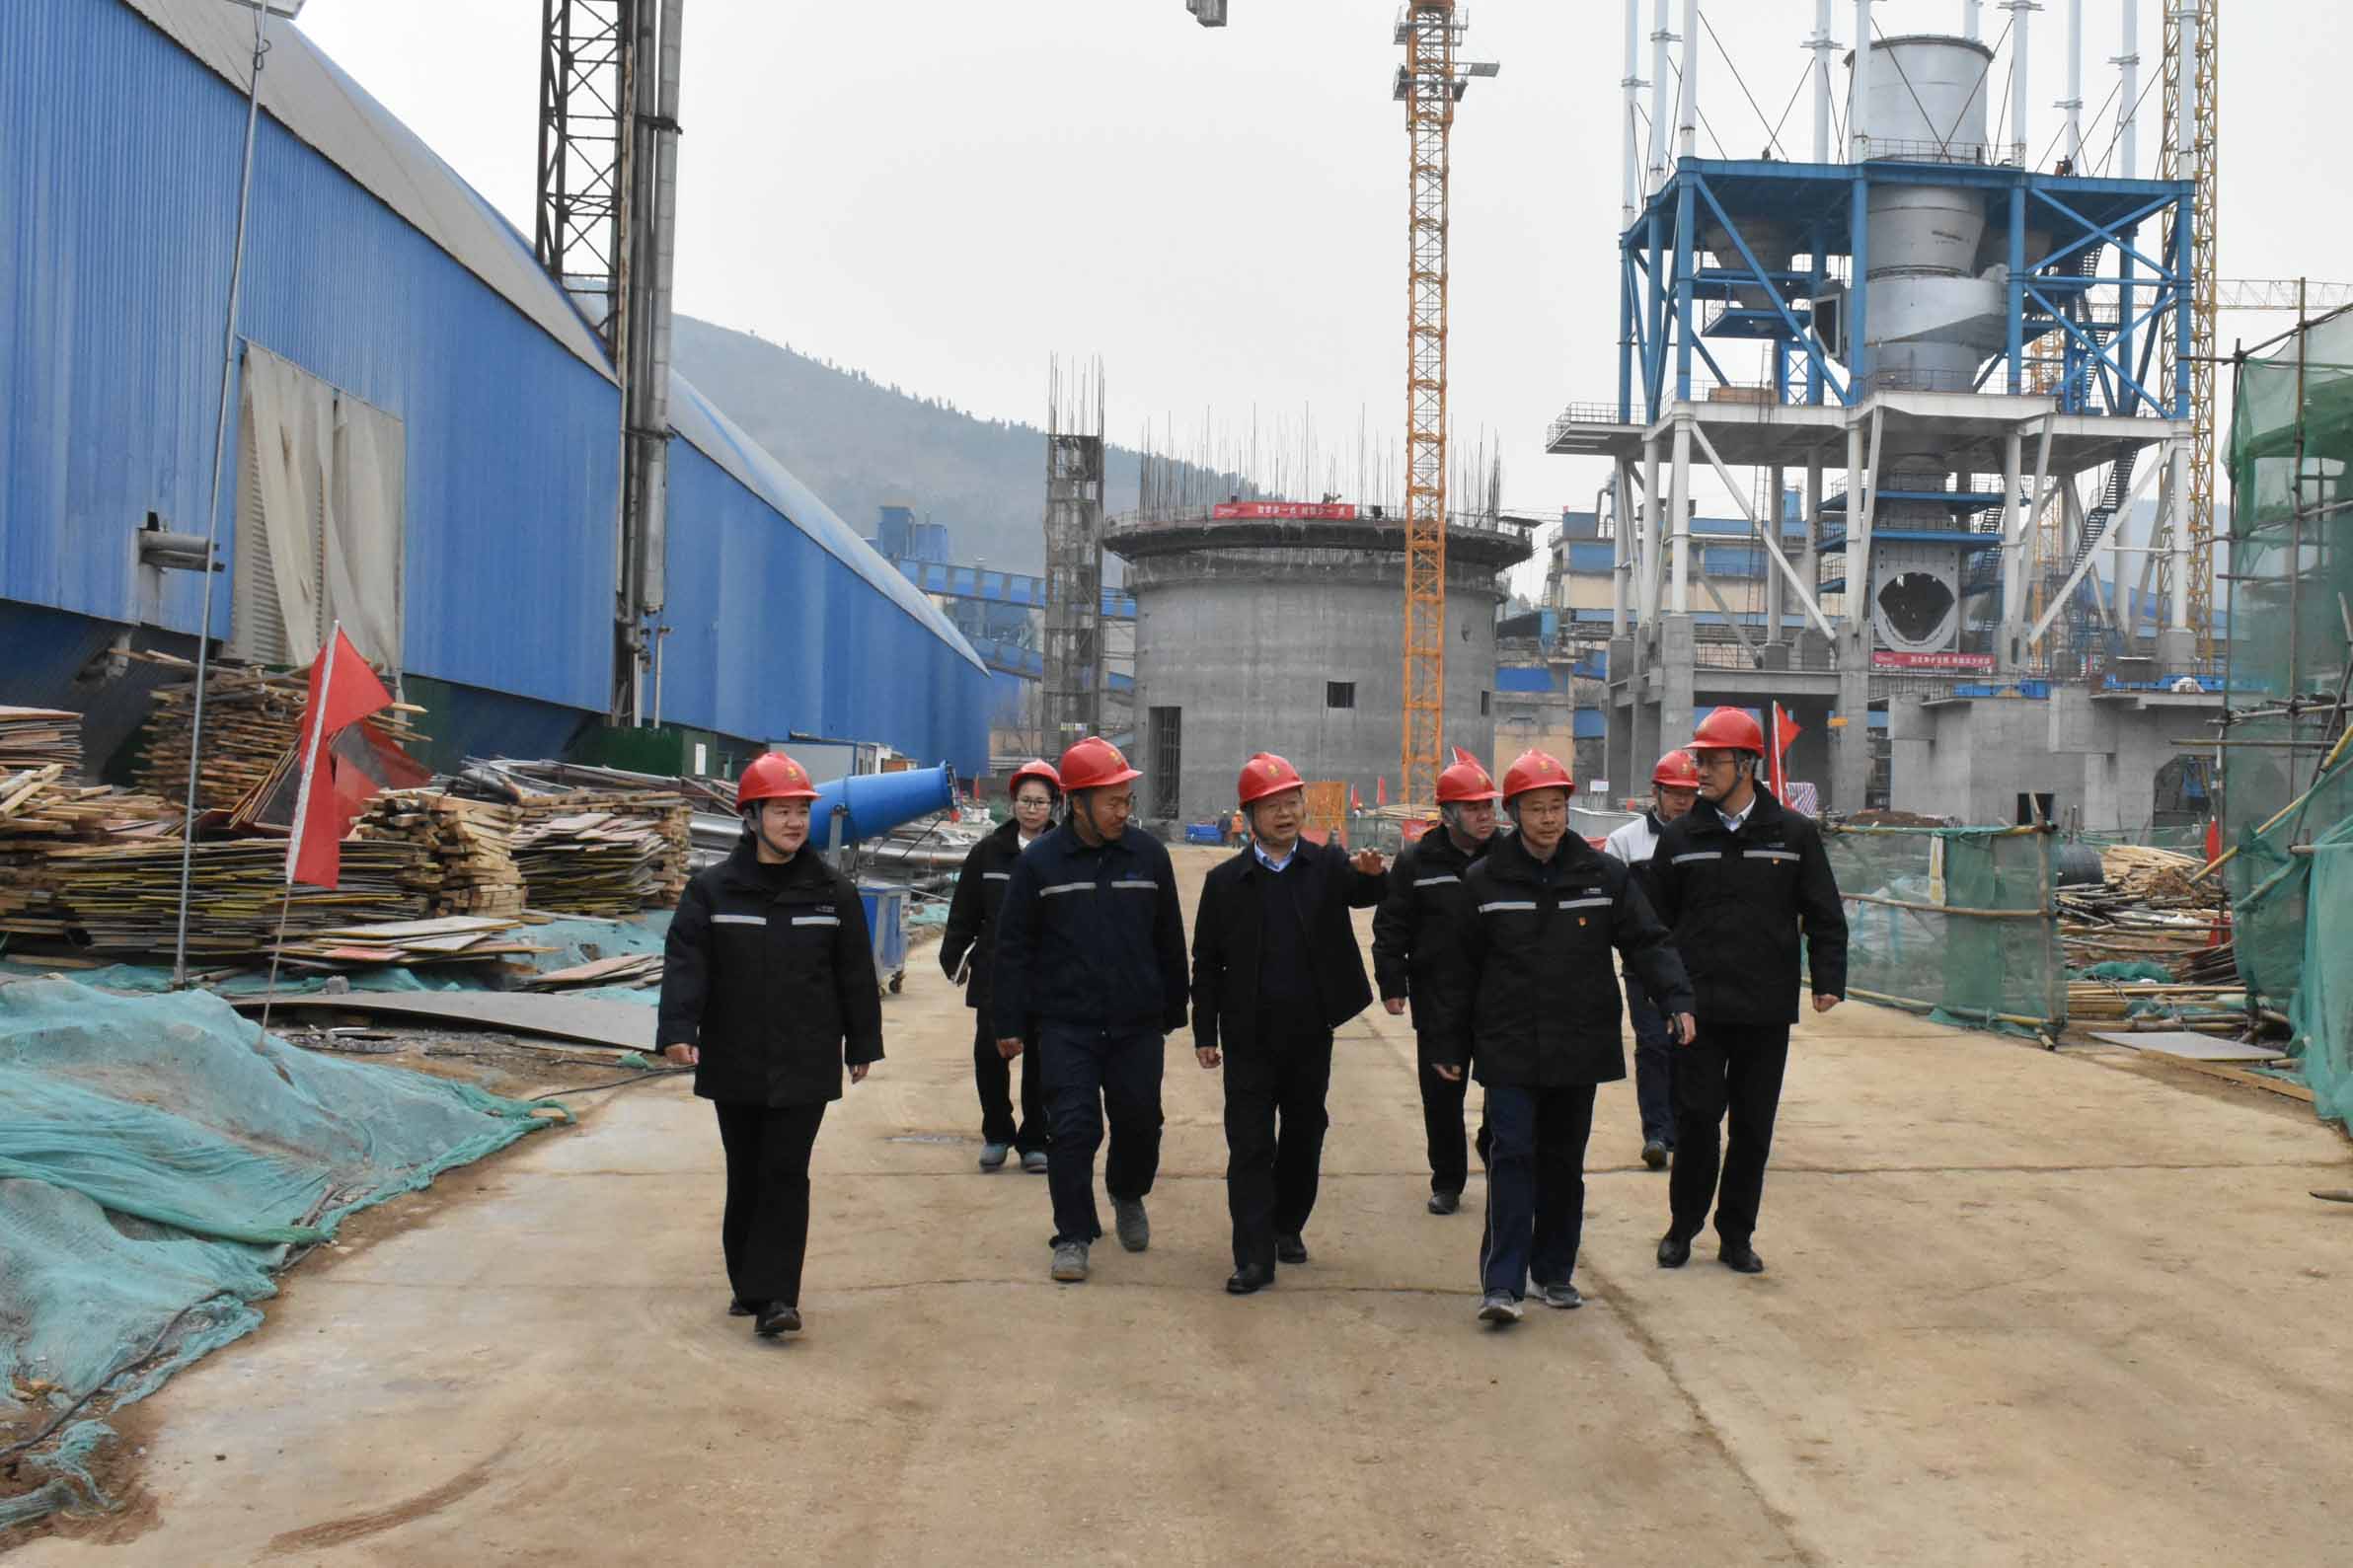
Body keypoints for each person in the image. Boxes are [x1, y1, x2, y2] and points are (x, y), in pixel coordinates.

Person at [1431, 749, 1693, 1326]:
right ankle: (1502, 1284)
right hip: (1509, 1044)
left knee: (1563, 1162)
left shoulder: (1603, 876)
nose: (1548, 819)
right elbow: (1457, 972)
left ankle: (1554, 1272)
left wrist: (1676, 999)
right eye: (1536, 809)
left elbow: (1647, 940)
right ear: (1514, 813)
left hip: (1578, 1042)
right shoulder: (1483, 882)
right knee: (1511, 1156)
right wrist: (1448, 1045)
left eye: (1556, 807)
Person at [657, 751, 882, 1339]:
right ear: (751, 817)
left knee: (785, 1171)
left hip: (805, 1058)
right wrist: (678, 1030)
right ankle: (747, 1282)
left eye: (801, 811)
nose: (794, 822)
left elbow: (855, 974)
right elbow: (687, 964)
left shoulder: (832, 892)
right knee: (747, 1172)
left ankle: (777, 1296)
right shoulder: (713, 891)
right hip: (735, 1055)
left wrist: (862, 1041)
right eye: (781, 811)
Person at [1650, 707, 1848, 1277]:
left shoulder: (1792, 834)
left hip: (1764, 1008)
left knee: (1753, 1127)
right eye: (1699, 760)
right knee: (1696, 1121)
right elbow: (1655, 924)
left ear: (1747, 764)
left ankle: (1736, 1235)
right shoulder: (1682, 837)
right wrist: (1665, 993)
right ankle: (1683, 1227)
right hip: (1698, 1011)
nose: (1701, 771)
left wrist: (1828, 980)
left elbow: (1824, 912)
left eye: (1712, 761)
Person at [991, 735, 1189, 1285]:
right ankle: (1073, 1234)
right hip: (1066, 1024)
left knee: (1140, 1121)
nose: (1123, 811)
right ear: (1077, 803)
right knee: (1073, 1129)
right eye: (1112, 801)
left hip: (1136, 1022)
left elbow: (1169, 937)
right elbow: (1013, 948)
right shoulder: (1041, 864)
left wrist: (1176, 1005)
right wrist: (1008, 1021)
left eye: (1126, 800)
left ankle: (1127, 1192)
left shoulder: (1148, 856)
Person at [1191, 752, 1389, 1295]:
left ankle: (1286, 1225)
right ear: (1248, 815)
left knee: (1305, 1135)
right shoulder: (1225, 882)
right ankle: (1253, 1257)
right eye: (1271, 806)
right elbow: (1206, 963)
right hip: (1248, 1037)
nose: (1285, 814)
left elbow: (1363, 892)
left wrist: (1375, 877)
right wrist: (1204, 1032)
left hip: (1309, 1034)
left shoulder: (1326, 865)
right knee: (1250, 1145)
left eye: (1292, 803)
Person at [1371, 747, 1502, 1215]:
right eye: (1473, 807)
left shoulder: (1509, 857)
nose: (1485, 815)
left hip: (1500, 996)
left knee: (1506, 1089)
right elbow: (1391, 924)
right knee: (1442, 1096)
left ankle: (1496, 1156)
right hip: (1440, 999)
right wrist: (1392, 983)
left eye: (1488, 806)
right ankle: (1447, 1181)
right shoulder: (1417, 861)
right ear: (1448, 814)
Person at [940, 758, 1062, 1174]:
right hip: (996, 973)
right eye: (1026, 800)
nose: (1032, 808)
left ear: (1053, 805)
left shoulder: (1063, 854)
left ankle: (1035, 1140)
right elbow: (964, 911)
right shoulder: (987, 853)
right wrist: (954, 956)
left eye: (1040, 801)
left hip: (1048, 975)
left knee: (1042, 1064)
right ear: (1013, 803)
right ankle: (996, 1133)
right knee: (990, 1058)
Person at [1602, 749, 1703, 1171]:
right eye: (1674, 792)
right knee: (1654, 1044)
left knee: (1691, 1046)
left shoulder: (1706, 839)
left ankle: (1686, 1127)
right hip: (1644, 963)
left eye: (1689, 793)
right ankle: (1657, 1133)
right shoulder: (1625, 843)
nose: (1682, 801)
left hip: (1695, 962)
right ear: (1656, 792)